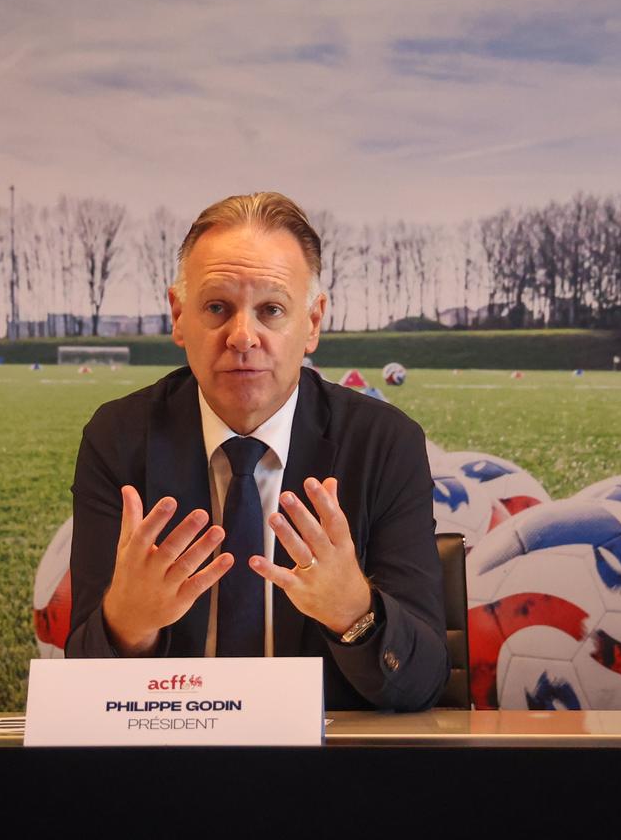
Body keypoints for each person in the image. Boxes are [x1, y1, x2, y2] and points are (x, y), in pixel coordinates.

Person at [65, 192, 446, 711]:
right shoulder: (119, 439)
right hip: (173, 746)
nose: (243, 337)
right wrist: (128, 626)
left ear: (313, 323)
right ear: (178, 316)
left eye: (271, 310)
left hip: (330, 753)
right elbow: (86, 687)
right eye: (217, 308)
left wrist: (354, 612)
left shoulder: (384, 444)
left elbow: (422, 683)